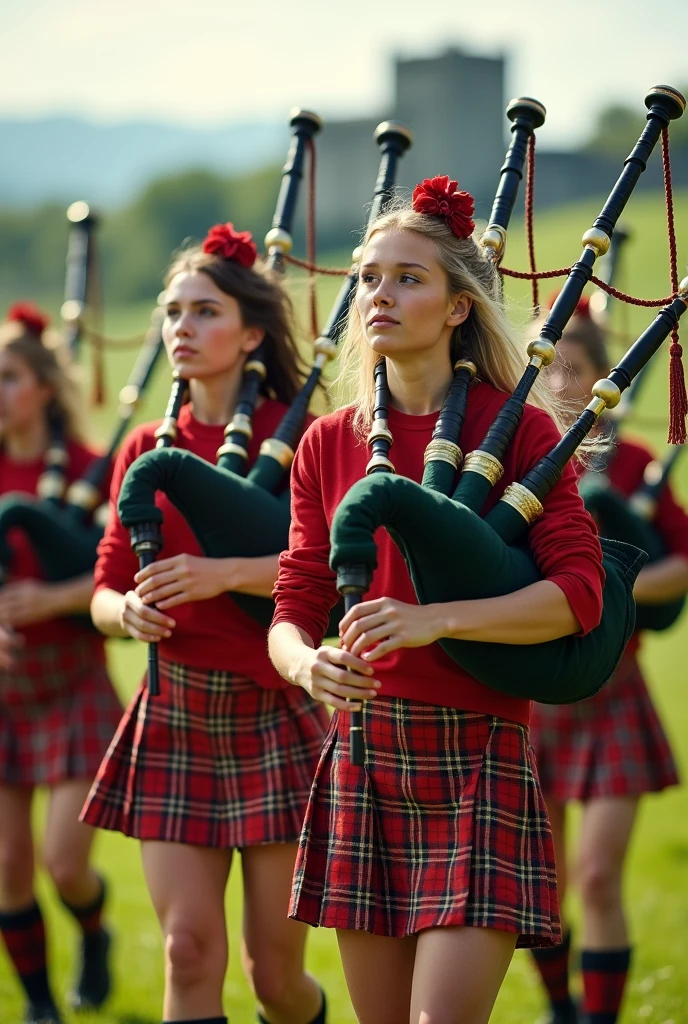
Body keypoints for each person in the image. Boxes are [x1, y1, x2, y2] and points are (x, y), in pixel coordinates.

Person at [267, 176, 606, 1024]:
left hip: (479, 754)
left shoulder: (522, 429)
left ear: (459, 307)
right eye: (370, 275)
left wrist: (436, 620)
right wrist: (309, 667)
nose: (379, 294)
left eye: (408, 277)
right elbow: (292, 602)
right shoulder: (325, 443)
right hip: (366, 757)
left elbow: (578, 595)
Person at [80, 224, 329, 1024]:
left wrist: (223, 574)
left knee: (273, 980)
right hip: (174, 716)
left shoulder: (302, 441)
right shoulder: (145, 451)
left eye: (203, 311)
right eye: (171, 311)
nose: (180, 328)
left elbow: (328, 574)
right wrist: (129, 612)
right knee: (187, 952)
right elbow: (103, 589)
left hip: (271, 714)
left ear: (252, 332)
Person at [529, 298, 687, 1024]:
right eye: (549, 368)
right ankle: (561, 1007)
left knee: (596, 876)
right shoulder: (515, 462)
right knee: (545, 880)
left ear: (605, 378)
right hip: (536, 691)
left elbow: (680, 566)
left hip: (614, 689)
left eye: (577, 369)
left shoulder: (631, 465)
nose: (561, 385)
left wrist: (607, 587)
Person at [0, 303, 120, 1024]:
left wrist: (50, 600)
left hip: (72, 683)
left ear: (44, 387)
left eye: (8, 377)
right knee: (8, 868)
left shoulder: (85, 469)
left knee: (64, 863)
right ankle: (43, 1007)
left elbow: (121, 575)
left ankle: (96, 932)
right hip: (4, 695)